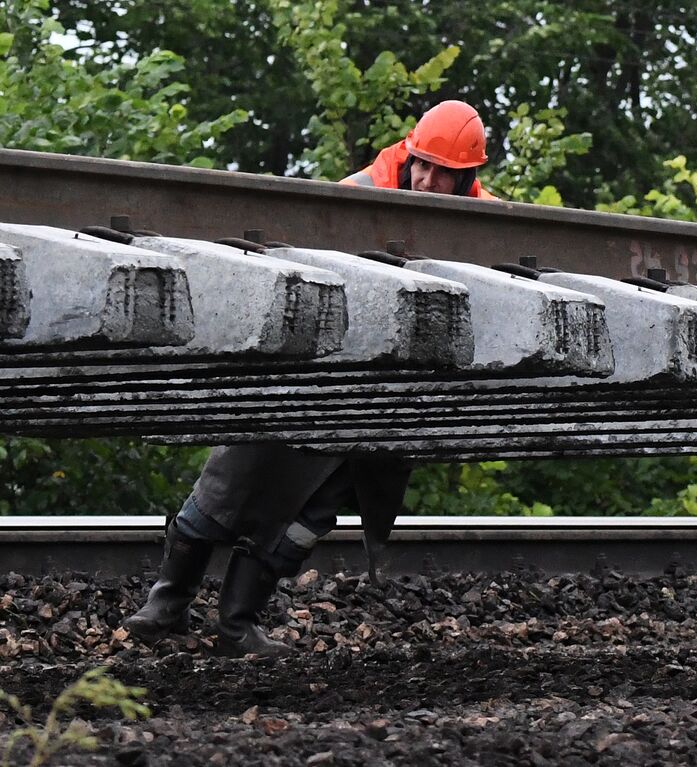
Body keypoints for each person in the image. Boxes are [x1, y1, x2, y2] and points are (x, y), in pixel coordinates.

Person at [123, 100, 498, 656]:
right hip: (316, 370)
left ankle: (236, 625)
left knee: (312, 516)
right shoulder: (357, 193)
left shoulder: (486, 221)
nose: (426, 179)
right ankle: (167, 602)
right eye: (421, 163)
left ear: (466, 177)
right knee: (232, 475)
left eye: (441, 172)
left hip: (385, 394)